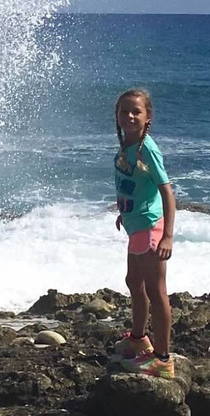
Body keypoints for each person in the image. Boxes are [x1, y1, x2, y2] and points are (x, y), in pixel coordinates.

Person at [111, 87, 176, 378]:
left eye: (136, 111)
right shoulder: (126, 144)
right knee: (133, 281)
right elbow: (134, 184)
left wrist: (168, 236)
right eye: (124, 111)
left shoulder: (147, 148)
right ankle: (138, 339)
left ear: (148, 116)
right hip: (135, 225)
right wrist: (123, 211)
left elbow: (166, 192)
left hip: (150, 227)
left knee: (155, 290)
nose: (129, 116)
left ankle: (163, 359)